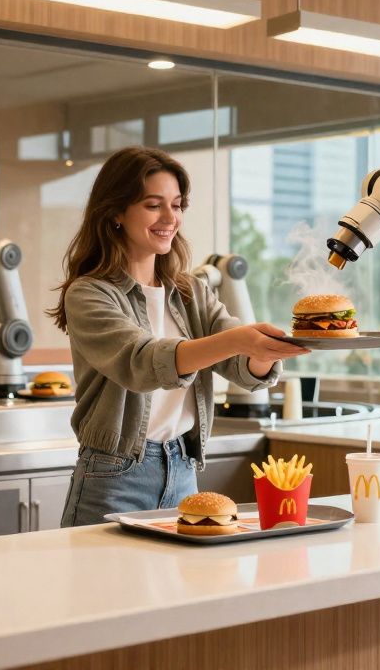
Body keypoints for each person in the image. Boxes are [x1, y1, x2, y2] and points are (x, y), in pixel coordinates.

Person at [48, 146, 309, 527]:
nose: (171, 218)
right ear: (116, 212)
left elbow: (239, 365)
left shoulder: (190, 291)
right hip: (114, 474)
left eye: (178, 204)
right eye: (154, 205)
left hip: (184, 468)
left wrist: (266, 349)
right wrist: (240, 339)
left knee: (179, 588)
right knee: (103, 587)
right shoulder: (90, 293)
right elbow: (142, 363)